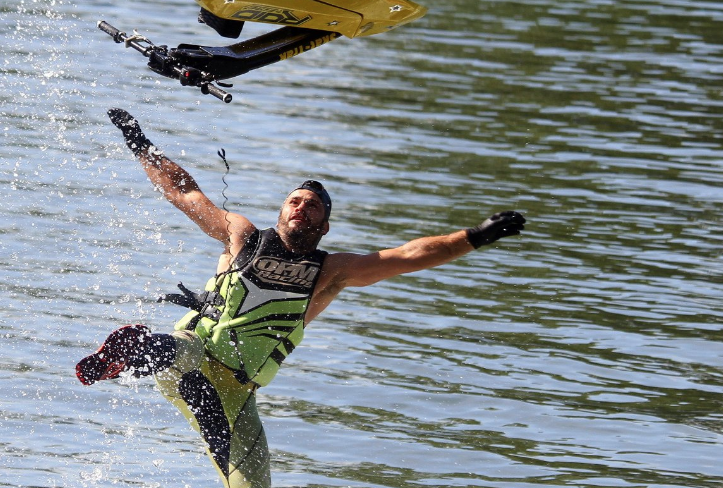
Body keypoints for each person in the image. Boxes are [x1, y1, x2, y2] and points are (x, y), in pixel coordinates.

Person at [76, 109, 526, 488]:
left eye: (312, 205)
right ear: (282, 210)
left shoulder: (331, 273)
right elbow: (183, 190)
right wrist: (140, 143)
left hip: (236, 393)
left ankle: (138, 355)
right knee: (178, 350)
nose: (301, 207)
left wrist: (475, 237)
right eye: (295, 200)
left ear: (324, 225)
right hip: (191, 355)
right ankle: (132, 353)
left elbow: (407, 255)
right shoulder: (242, 237)